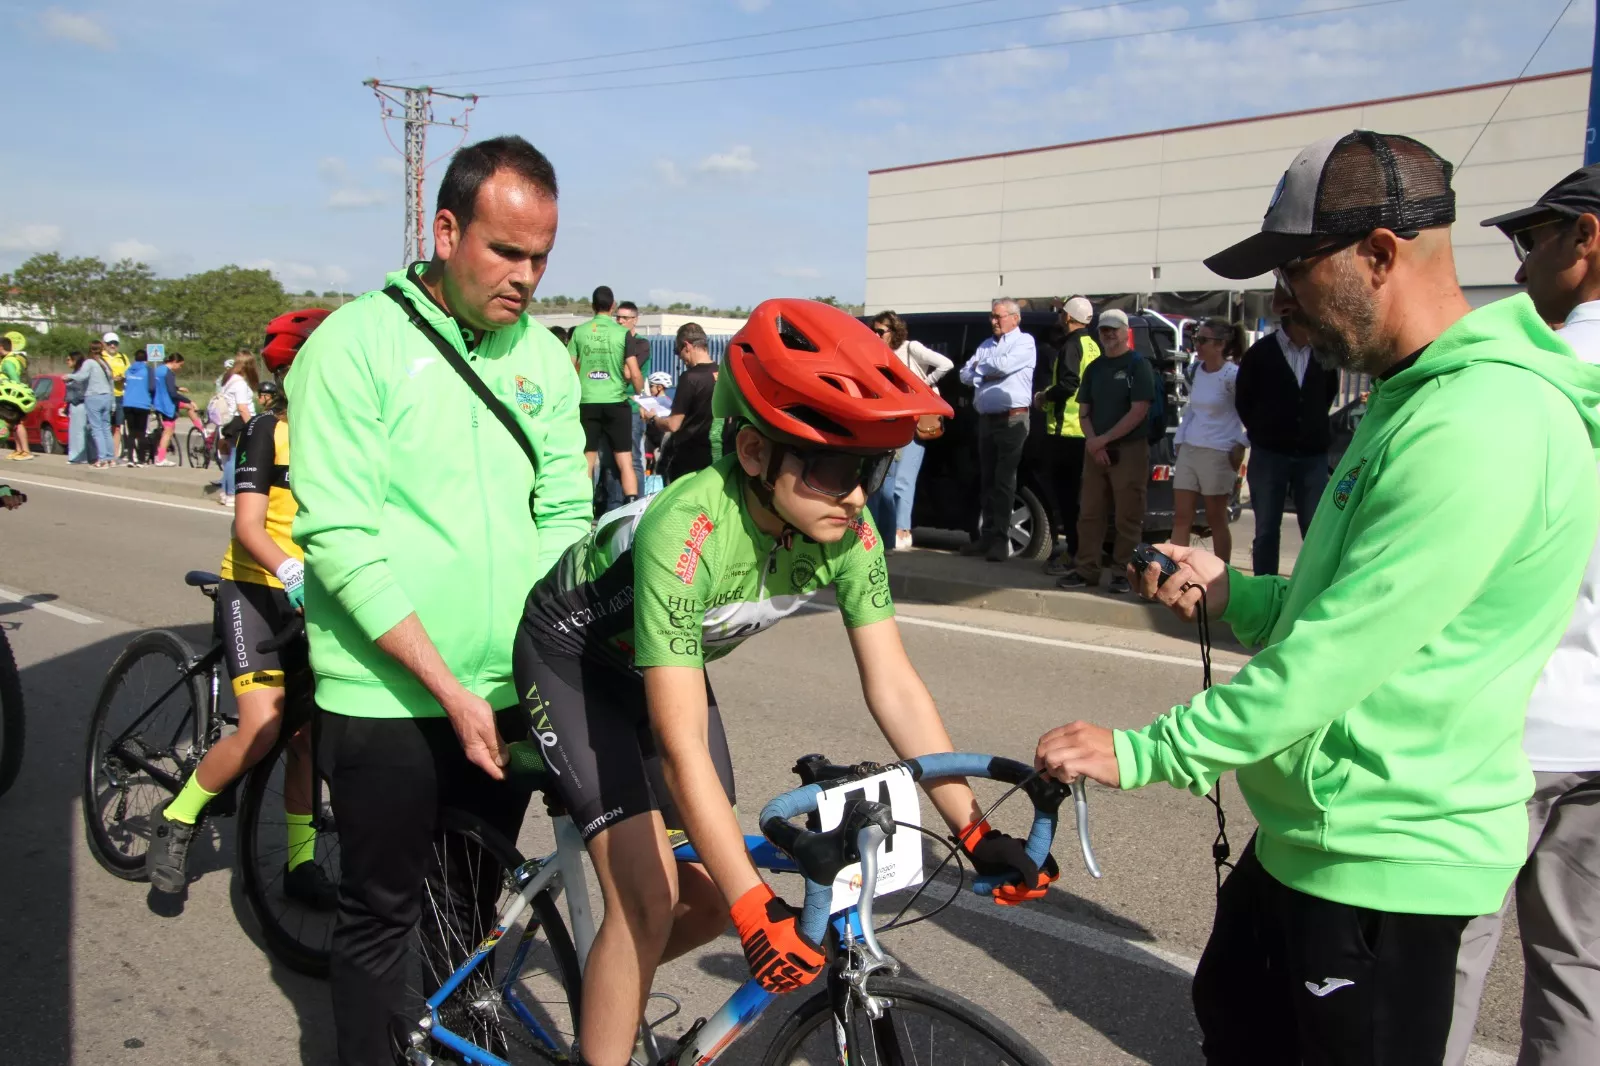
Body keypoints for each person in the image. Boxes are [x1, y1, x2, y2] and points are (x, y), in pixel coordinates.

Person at [1034, 130, 1600, 1066]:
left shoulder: (1481, 419)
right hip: (1314, 840)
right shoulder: (1413, 396)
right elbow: (1358, 600)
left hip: (1386, 864)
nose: (1284, 299)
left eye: (1298, 269)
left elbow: (1343, 651)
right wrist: (1242, 600)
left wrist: (1146, 752)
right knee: (1234, 1023)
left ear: (1381, 254)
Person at [514, 298, 1049, 1066]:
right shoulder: (690, 527)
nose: (859, 494)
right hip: (574, 659)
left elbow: (893, 683)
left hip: (665, 663)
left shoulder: (848, 529)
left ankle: (609, 978)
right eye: (835, 467)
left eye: (872, 466)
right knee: (649, 901)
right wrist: (754, 902)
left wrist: (973, 827)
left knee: (695, 904)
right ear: (757, 452)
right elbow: (681, 740)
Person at [285, 135, 592, 1066]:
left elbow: (564, 510)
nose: (526, 278)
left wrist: (543, 661)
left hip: (503, 692)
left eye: (541, 257)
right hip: (387, 696)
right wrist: (444, 684)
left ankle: (444, 1044)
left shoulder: (544, 353)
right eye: (505, 252)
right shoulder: (354, 346)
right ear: (445, 229)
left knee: (465, 910)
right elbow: (340, 539)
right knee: (382, 916)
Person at [1442, 165, 1600, 1066]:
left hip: (1512, 718)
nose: (1526, 258)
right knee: (1581, 969)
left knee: (1450, 959)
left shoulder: (1531, 377)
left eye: (1533, 237)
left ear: (1585, 238)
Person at [145, 310, 336, 907]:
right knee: (263, 727)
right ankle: (176, 819)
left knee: (309, 738)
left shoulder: (347, 435)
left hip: (316, 599)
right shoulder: (267, 431)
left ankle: (301, 864)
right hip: (255, 588)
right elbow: (248, 526)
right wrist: (289, 570)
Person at [1234, 287, 1341, 577]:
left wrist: (1310, 425)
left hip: (1311, 455)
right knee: (1267, 529)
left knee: (1315, 527)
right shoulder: (1261, 353)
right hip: (1270, 454)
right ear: (1295, 323)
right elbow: (1244, 398)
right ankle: (1265, 589)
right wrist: (1263, 430)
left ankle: (1310, 586)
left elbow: (1328, 392)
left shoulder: (1322, 354)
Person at [1057, 309, 1155, 594]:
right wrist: (1093, 442)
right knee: (1089, 512)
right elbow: (1084, 412)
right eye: (1104, 330)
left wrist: (1103, 440)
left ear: (1126, 332)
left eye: (1114, 329)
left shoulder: (1139, 365)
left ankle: (1124, 573)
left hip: (1129, 449)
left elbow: (1139, 410)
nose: (1109, 334)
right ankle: (1086, 568)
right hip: (1095, 449)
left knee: (1128, 515)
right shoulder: (1095, 368)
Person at [958, 297, 1036, 561]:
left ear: (1015, 318)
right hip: (987, 420)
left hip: (1012, 420)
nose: (994, 321)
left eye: (998, 316)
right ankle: (987, 536)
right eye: (992, 316)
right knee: (988, 480)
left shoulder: (1025, 342)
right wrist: (986, 371)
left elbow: (1003, 366)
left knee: (1004, 480)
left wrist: (983, 369)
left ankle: (1000, 540)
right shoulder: (986, 345)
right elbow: (964, 375)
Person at [872, 309, 954, 551]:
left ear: (893, 331)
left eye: (881, 331)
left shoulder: (910, 347)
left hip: (914, 419)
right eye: (873, 330)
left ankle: (902, 531)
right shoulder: (877, 353)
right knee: (889, 478)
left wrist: (920, 385)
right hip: (892, 420)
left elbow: (945, 364)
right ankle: (890, 532)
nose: (876, 335)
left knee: (902, 481)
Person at [1170, 318, 1247, 565]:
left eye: (1203, 340)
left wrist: (1241, 443)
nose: (1197, 345)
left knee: (1216, 519)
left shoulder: (1233, 376)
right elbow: (1193, 408)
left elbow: (1250, 412)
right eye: (1196, 339)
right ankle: (1175, 571)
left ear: (1221, 344)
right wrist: (1180, 438)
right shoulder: (1195, 371)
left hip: (1218, 452)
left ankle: (1221, 575)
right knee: (1182, 517)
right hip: (1190, 450)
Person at [1038, 297, 1100, 573]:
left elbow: (1069, 383)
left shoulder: (1072, 346)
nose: (1060, 317)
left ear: (1068, 317)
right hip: (1086, 431)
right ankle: (1081, 551)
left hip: (1066, 430)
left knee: (1066, 499)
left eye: (1062, 313)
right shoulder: (1092, 344)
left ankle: (1074, 553)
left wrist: (1044, 396)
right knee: (1078, 498)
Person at [569, 284, 643, 502]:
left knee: (587, 460)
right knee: (625, 461)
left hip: (587, 402)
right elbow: (635, 373)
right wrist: (640, 394)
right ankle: (631, 507)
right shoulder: (622, 334)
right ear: (613, 306)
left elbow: (568, 367)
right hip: (616, 402)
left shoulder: (580, 332)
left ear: (593, 306)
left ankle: (583, 508)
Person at [644, 321, 717, 483]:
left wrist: (653, 419)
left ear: (687, 346)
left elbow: (673, 425)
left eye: (679, 352)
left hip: (688, 459)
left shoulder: (690, 378)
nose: (681, 358)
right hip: (715, 457)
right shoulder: (721, 373)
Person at [216, 353, 260, 507]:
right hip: (238, 422)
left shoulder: (228, 380)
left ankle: (225, 492)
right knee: (235, 459)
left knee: (230, 458)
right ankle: (231, 494)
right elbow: (242, 408)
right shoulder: (240, 383)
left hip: (230, 422)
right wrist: (252, 426)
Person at [617, 300, 651, 487]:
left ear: (635, 320)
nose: (620, 321)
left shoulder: (641, 344)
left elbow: (629, 373)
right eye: (618, 317)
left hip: (632, 408)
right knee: (611, 460)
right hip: (612, 404)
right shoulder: (616, 342)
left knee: (633, 458)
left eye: (625, 317)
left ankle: (637, 504)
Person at [151, 351, 204, 467]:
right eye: (180, 365)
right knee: (168, 431)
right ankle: (160, 458)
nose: (180, 368)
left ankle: (201, 429)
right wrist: (189, 400)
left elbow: (161, 386)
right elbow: (172, 393)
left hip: (158, 402)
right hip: (168, 404)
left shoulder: (158, 370)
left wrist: (178, 387)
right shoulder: (169, 373)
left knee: (187, 409)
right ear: (174, 362)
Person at [70, 343, 116, 467]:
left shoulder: (89, 362)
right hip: (107, 397)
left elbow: (81, 376)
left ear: (89, 350)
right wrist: (113, 403)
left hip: (93, 396)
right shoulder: (104, 363)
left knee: (97, 429)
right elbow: (111, 383)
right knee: (106, 429)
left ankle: (102, 459)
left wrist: (68, 376)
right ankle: (111, 458)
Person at [0, 334, 32, 461]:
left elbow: (15, 380)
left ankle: (25, 450)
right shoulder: (12, 359)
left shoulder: (8, 362)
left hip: (12, 396)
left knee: (17, 422)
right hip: (12, 396)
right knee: (14, 423)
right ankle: (18, 450)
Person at [121, 349, 155, 466]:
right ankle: (141, 460)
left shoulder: (129, 370)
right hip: (142, 404)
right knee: (141, 433)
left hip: (128, 403)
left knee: (131, 433)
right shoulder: (148, 370)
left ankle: (130, 459)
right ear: (146, 359)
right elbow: (151, 387)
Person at [101, 332, 130, 463]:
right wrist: (111, 378)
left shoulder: (123, 357)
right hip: (105, 395)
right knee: (104, 426)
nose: (113, 346)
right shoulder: (100, 357)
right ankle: (103, 454)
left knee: (117, 426)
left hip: (119, 395)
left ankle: (114, 455)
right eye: (110, 343)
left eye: (115, 343)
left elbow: (129, 372)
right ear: (104, 344)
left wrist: (123, 377)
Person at [64, 352, 91, 464]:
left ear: (75, 361)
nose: (67, 362)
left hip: (80, 404)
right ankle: (74, 455)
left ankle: (80, 457)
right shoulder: (74, 373)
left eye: (69, 359)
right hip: (73, 405)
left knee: (80, 432)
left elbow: (81, 391)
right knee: (74, 432)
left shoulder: (80, 375)